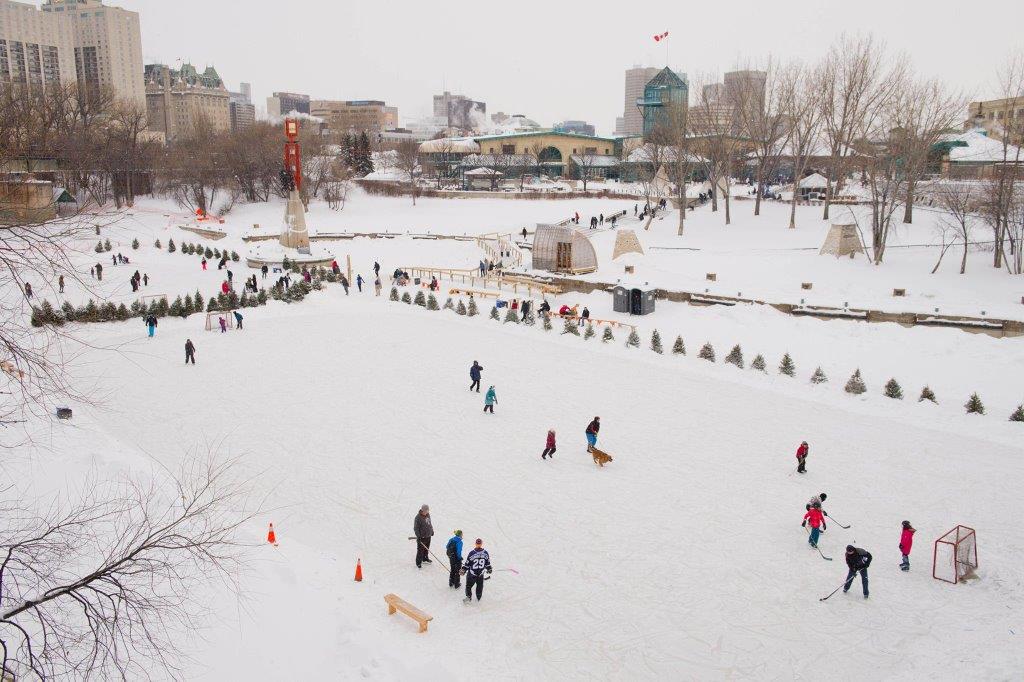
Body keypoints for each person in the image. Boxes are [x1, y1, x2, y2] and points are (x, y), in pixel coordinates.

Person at [462, 538, 492, 604]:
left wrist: (463, 570)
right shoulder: (485, 553)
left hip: (472, 574)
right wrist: (489, 569)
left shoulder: (472, 553)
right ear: (481, 544)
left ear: (476, 544)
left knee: (468, 586)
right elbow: (487, 563)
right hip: (480, 574)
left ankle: (469, 597)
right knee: (479, 586)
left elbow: (467, 564)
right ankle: (479, 597)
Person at [414, 504, 433, 568]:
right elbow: (416, 528)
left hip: (428, 535)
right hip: (422, 537)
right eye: (426, 510)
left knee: (426, 549)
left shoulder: (428, 515)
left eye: (428, 510)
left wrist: (432, 531)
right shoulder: (418, 517)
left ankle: (425, 558)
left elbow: (429, 524)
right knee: (420, 550)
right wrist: (418, 536)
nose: (427, 512)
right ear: (422, 510)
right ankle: (418, 562)